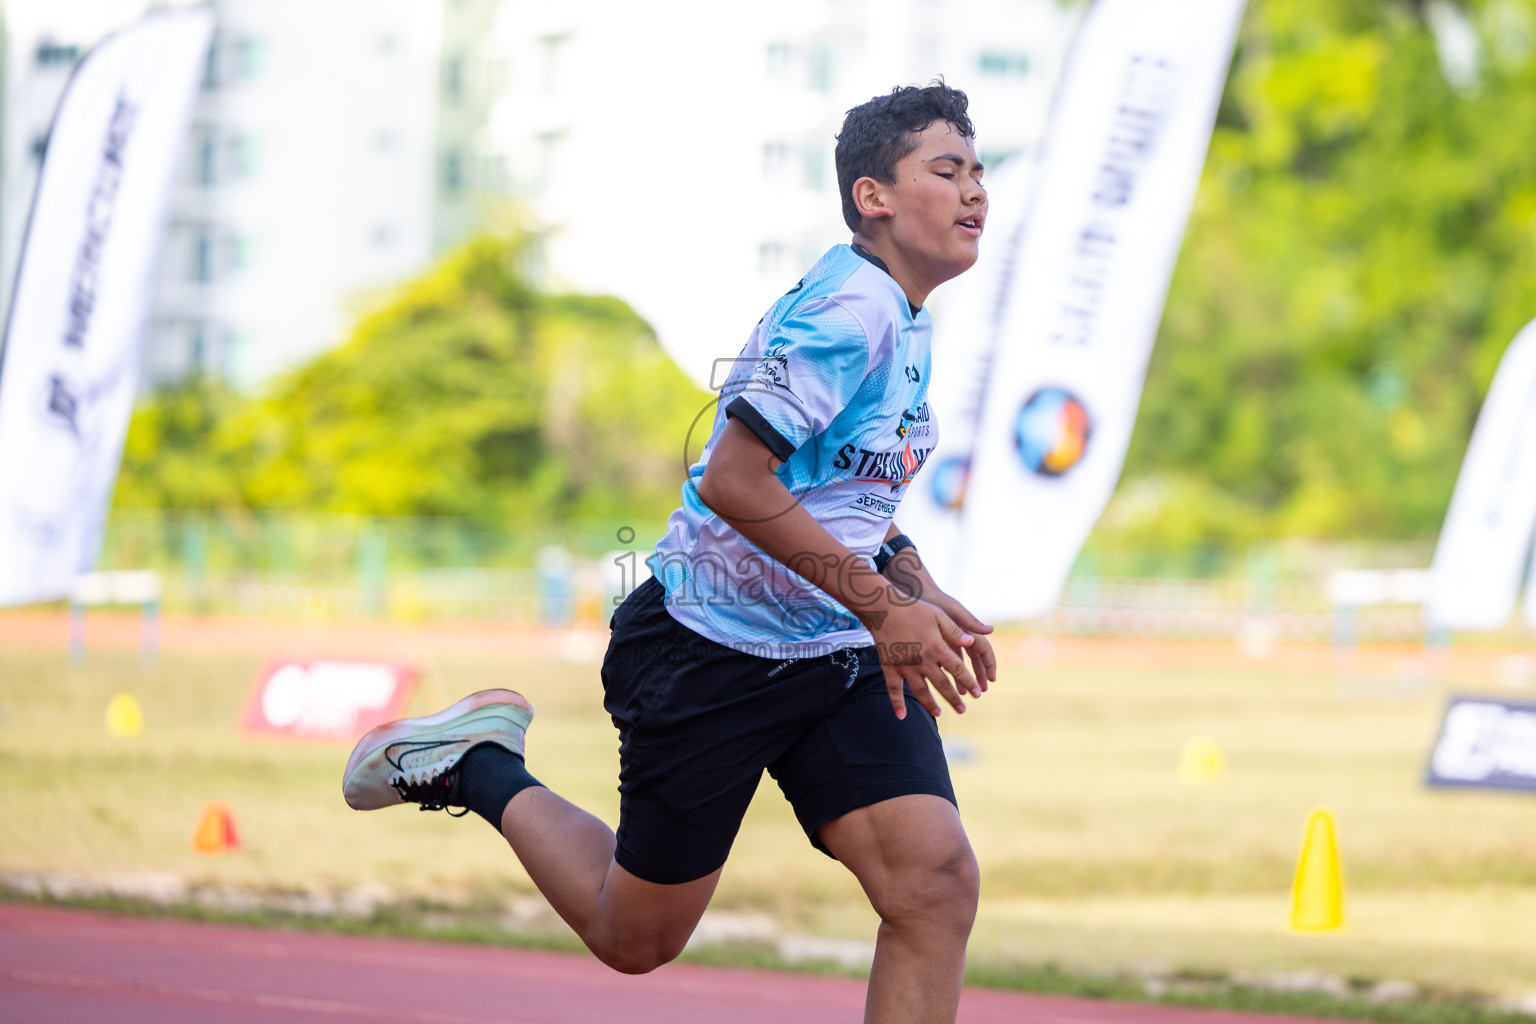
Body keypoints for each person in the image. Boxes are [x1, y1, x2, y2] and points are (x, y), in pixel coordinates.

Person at [343, 80, 996, 1024]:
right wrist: (886, 608)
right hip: (710, 649)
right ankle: (476, 766)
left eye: (980, 171)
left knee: (934, 886)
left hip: (833, 652)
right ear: (874, 196)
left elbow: (841, 492)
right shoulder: (847, 312)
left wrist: (913, 582)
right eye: (948, 170)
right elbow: (735, 478)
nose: (976, 190)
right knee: (634, 938)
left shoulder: (903, 316)